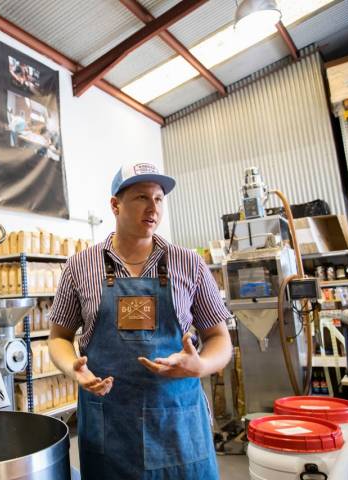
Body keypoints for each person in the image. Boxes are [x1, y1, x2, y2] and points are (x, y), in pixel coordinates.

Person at [48, 162, 233, 479]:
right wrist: (72, 369)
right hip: (111, 426)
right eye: (141, 198)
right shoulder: (80, 266)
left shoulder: (188, 264)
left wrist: (201, 365)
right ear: (115, 205)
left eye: (159, 198)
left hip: (177, 423)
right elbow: (58, 337)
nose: (153, 208)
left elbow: (219, 338)